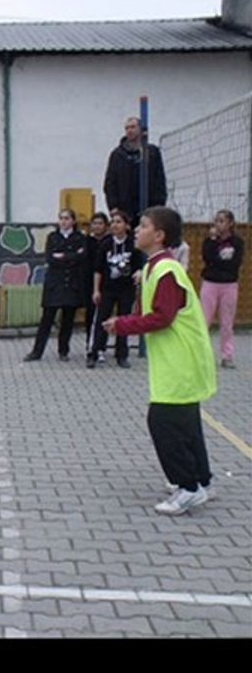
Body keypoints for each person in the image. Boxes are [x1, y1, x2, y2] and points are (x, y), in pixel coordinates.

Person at [104, 206, 217, 516]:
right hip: (180, 358)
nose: (137, 230)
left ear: (159, 235)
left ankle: (188, 487)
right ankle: (203, 481)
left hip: (180, 360)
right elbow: (150, 311)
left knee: (163, 421)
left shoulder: (166, 270)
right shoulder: (157, 266)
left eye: (143, 226)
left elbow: (163, 317)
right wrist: (126, 318)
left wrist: (123, 325)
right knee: (187, 422)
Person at [24, 209, 87, 362]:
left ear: (73, 220)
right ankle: (36, 352)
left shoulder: (79, 237)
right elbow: (50, 258)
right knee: (47, 319)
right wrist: (69, 257)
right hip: (55, 283)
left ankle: (63, 351)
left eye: (67, 218)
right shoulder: (52, 237)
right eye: (61, 218)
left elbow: (81, 257)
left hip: (71, 283)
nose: (63, 221)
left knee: (67, 320)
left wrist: (63, 256)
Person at [88, 209, 142, 369]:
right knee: (101, 320)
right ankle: (94, 353)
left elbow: (139, 266)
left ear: (126, 226)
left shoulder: (133, 244)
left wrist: (138, 273)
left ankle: (122, 355)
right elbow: (98, 269)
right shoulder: (106, 244)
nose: (115, 225)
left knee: (124, 320)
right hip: (108, 289)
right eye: (113, 222)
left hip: (126, 289)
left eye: (119, 222)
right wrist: (96, 290)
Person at [200, 209, 245, 369]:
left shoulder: (237, 242)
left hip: (229, 284)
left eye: (221, 221)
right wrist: (212, 240)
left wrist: (219, 263)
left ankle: (227, 355)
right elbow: (207, 258)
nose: (218, 224)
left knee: (227, 323)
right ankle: (202, 355)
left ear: (230, 223)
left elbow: (235, 263)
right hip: (211, 283)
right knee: (205, 320)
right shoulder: (210, 241)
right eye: (216, 221)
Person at [104, 116, 167, 227]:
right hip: (125, 211)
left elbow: (160, 180)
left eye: (133, 127)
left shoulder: (152, 152)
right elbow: (110, 183)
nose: (129, 130)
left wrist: (159, 205)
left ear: (140, 129)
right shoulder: (117, 155)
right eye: (127, 128)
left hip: (150, 208)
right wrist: (113, 207)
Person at [83, 211, 110, 361]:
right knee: (91, 315)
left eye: (100, 223)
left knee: (103, 315)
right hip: (89, 283)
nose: (97, 226)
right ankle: (90, 344)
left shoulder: (109, 241)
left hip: (107, 283)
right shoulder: (87, 241)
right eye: (95, 223)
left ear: (106, 226)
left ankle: (101, 347)